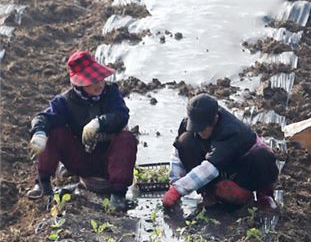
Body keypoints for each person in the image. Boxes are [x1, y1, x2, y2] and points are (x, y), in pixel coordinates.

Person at [28, 50, 137, 211]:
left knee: (126, 138)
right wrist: (39, 132)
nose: (99, 84)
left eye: (100, 79)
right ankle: (43, 184)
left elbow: (121, 115)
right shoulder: (66, 101)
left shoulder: (111, 94)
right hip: (82, 160)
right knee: (54, 132)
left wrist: (100, 123)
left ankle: (118, 195)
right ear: (79, 83)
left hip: (109, 161)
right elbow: (44, 117)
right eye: (92, 81)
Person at [162, 94, 278, 213]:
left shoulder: (231, 131)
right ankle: (209, 191)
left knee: (260, 154)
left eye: (202, 128)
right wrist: (174, 182)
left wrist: (179, 190)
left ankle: (264, 195)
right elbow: (177, 154)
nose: (198, 132)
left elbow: (210, 168)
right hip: (220, 165)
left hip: (242, 167)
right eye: (195, 127)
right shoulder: (190, 123)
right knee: (184, 140)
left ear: (215, 119)